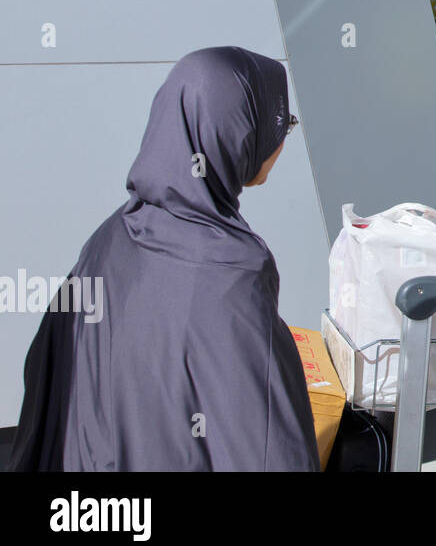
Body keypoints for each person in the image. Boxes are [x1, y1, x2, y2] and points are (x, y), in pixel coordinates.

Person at [8, 46, 319, 471]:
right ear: (239, 130)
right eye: (280, 124)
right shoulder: (230, 271)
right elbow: (267, 445)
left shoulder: (108, 240)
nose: (282, 140)